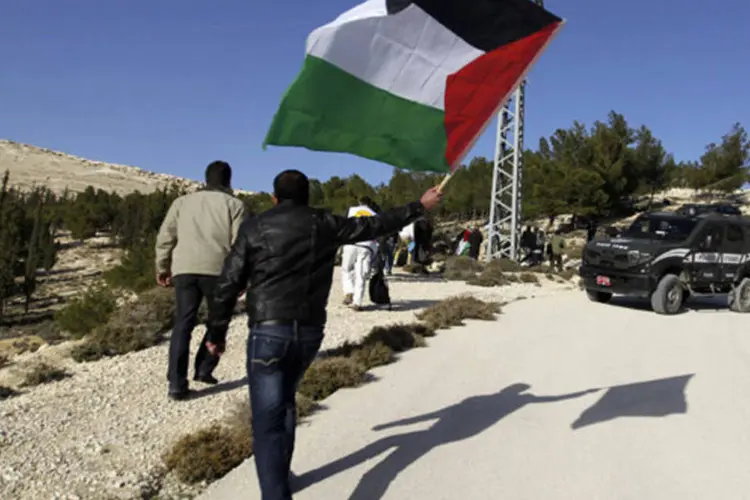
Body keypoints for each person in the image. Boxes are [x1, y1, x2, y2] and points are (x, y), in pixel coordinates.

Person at [204, 170, 442, 500]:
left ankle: (275, 490)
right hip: (309, 332)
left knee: (267, 419)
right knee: (285, 403)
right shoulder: (324, 223)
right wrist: (419, 205)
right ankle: (281, 475)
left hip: (268, 331)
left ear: (275, 198)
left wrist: (216, 334)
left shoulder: (255, 227)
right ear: (307, 197)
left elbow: (228, 284)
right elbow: (375, 225)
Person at [154, 160, 247, 401]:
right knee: (218, 321)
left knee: (183, 323)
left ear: (205, 179)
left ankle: (176, 383)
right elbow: (240, 245)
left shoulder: (182, 202)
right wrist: (241, 277)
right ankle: (204, 369)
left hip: (184, 269)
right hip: (218, 270)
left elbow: (165, 236)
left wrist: (162, 266)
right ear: (228, 180)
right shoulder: (235, 205)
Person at [341, 196, 379, 311]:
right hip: (367, 245)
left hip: (351, 242)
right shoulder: (374, 214)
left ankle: (349, 291)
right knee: (361, 274)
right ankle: (358, 302)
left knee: (346, 269)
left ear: (359, 203)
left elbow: (343, 224)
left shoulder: (351, 210)